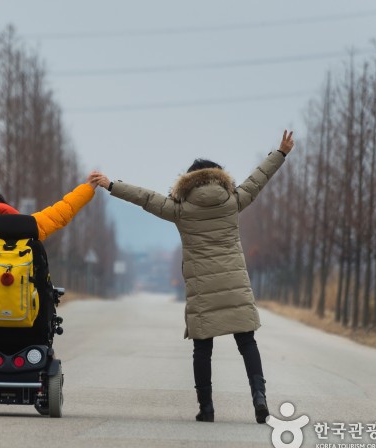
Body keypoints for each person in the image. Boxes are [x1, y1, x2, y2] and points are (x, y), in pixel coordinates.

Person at [91, 130, 295, 424]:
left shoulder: (181, 209)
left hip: (202, 289)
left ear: (188, 180)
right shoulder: (233, 201)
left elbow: (145, 199)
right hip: (235, 285)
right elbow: (258, 178)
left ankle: (207, 408)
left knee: (203, 347)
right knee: (247, 342)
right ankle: (259, 398)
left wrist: (111, 185)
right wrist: (281, 153)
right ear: (218, 177)